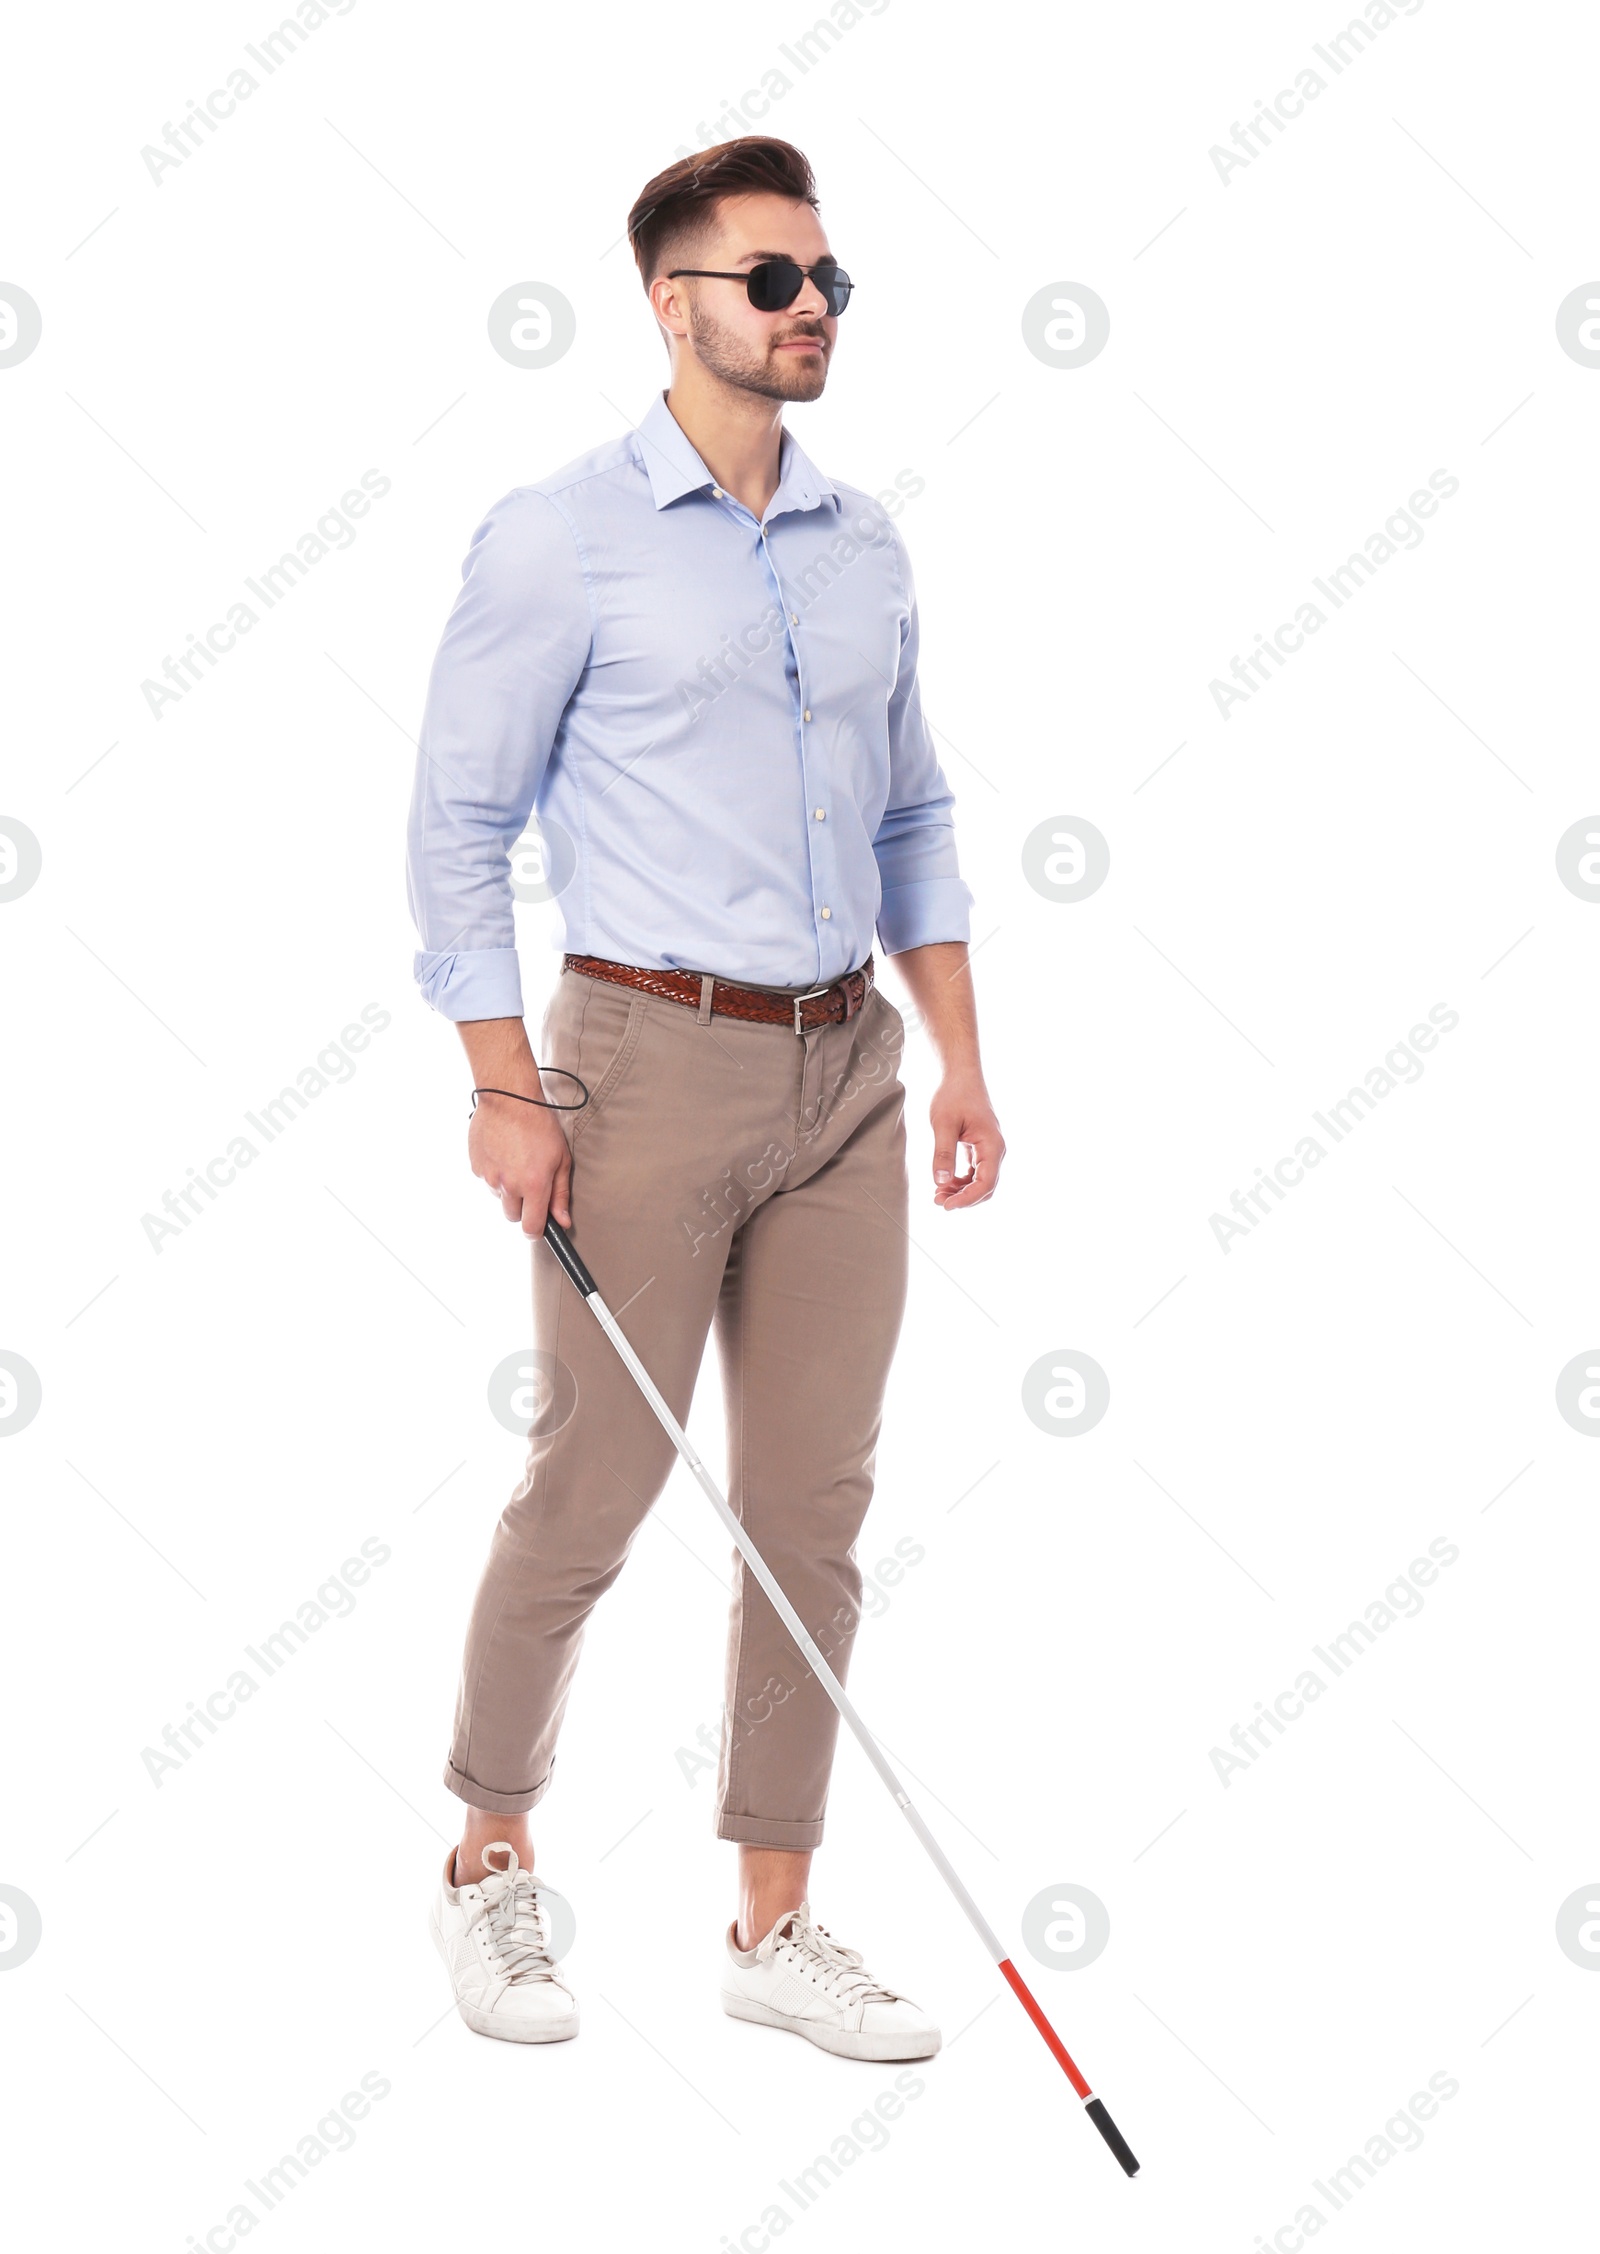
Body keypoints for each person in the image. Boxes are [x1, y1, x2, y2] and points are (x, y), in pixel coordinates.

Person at [408, 135, 1005, 2055]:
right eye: (774, 280)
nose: (814, 307)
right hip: (642, 1060)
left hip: (850, 1069)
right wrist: (507, 1080)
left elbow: (913, 810)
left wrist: (963, 1060)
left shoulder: (866, 543)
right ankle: (491, 1864)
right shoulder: (558, 534)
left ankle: (772, 1921)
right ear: (674, 304)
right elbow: (457, 823)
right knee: (594, 1481)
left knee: (811, 1508)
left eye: (829, 279)